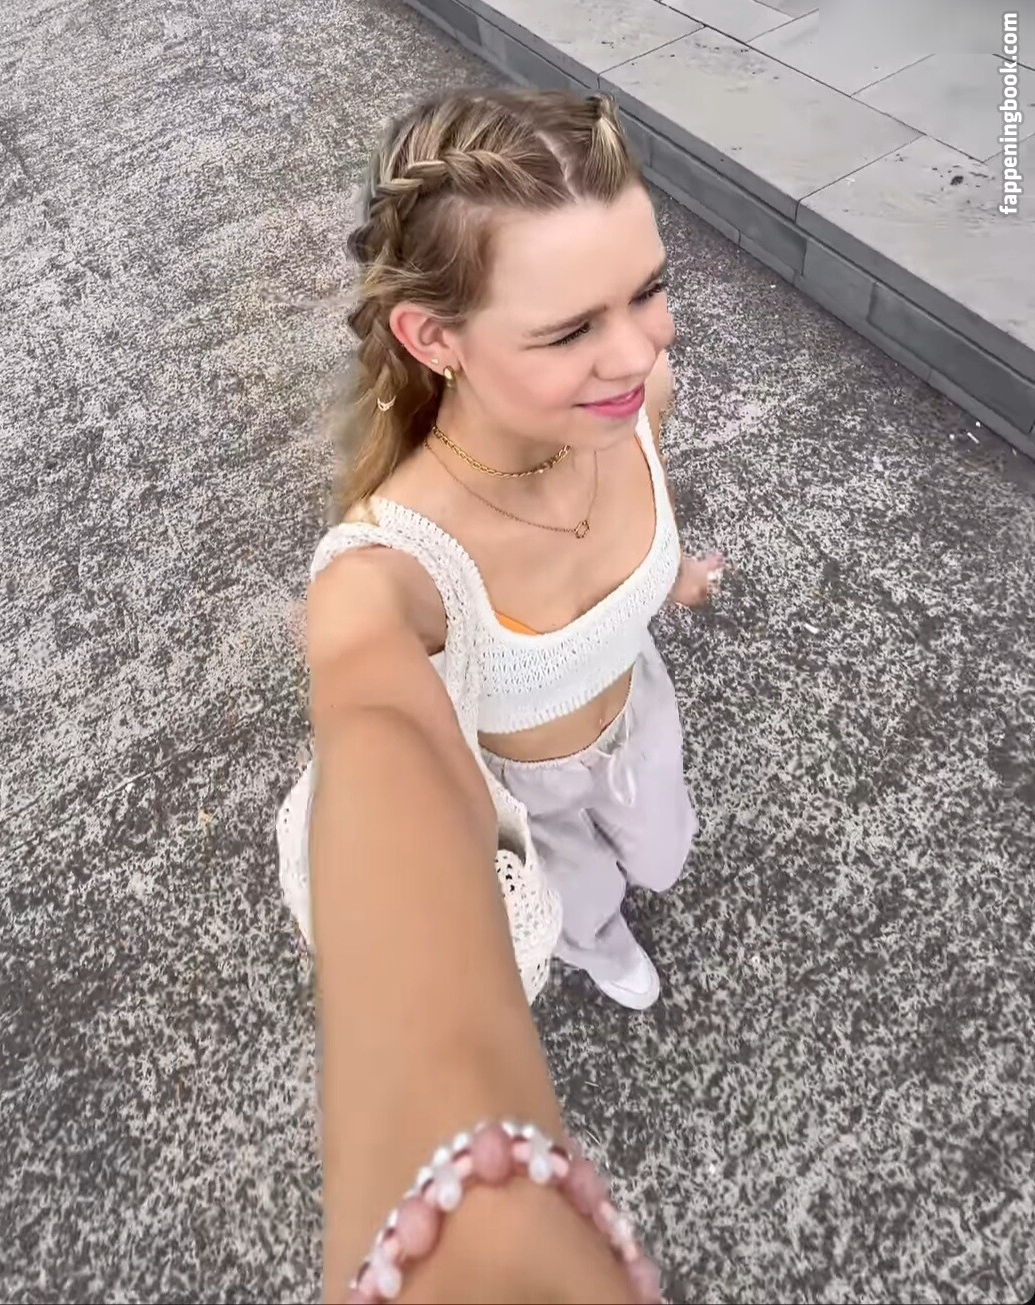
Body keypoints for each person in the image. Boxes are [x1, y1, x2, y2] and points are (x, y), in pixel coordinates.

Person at [275, 87, 720, 1300]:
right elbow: (374, 735)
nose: (637, 350)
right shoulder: (388, 572)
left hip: (639, 713)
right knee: (589, 903)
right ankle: (597, 940)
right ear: (435, 339)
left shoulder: (634, 405)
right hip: (526, 788)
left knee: (664, 846)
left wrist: (668, 572)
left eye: (647, 289)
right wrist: (463, 1214)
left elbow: (644, 503)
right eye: (571, 327)